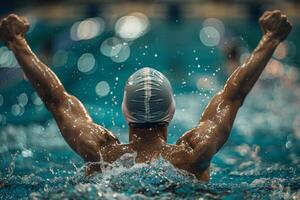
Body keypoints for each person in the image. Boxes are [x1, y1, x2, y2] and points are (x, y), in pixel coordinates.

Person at [0, 10, 291, 181]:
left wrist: (17, 42)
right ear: (172, 111)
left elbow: (56, 99)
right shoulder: (193, 156)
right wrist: (270, 39)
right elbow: (233, 95)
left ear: (125, 111)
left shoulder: (102, 154)